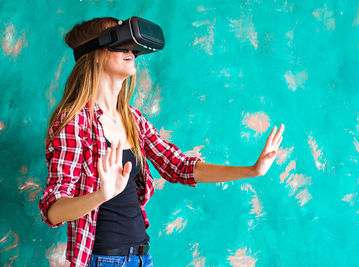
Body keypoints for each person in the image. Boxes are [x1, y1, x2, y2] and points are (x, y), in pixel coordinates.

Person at [38, 16, 285, 267]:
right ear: (95, 53)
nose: (131, 51)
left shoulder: (133, 119)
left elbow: (180, 166)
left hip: (142, 258)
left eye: (132, 47)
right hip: (104, 260)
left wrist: (252, 170)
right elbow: (54, 209)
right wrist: (102, 194)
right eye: (121, 43)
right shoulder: (75, 121)